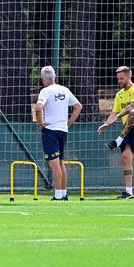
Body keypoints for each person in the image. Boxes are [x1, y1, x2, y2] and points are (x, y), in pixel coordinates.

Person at [97, 66, 134, 200]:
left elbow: (130, 107)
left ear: (129, 76)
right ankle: (128, 192)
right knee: (126, 158)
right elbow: (114, 113)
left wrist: (118, 117)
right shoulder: (119, 95)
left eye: (121, 78)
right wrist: (107, 123)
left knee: (132, 112)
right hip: (128, 129)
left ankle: (118, 141)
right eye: (118, 78)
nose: (119, 80)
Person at [35, 66, 82, 201]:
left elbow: (38, 108)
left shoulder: (45, 91)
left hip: (50, 130)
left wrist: (40, 123)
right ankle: (63, 193)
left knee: (54, 164)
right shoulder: (65, 90)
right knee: (60, 162)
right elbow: (78, 107)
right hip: (63, 130)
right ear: (54, 77)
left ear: (43, 79)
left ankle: (58, 195)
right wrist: (69, 122)